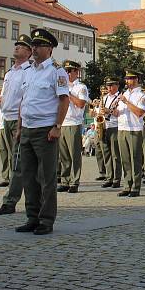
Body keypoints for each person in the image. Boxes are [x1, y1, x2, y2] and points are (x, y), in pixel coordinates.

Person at [15, 28, 69, 235]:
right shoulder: (28, 71)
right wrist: (19, 127)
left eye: (38, 46)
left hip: (46, 129)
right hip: (28, 128)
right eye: (33, 45)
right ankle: (32, 217)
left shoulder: (57, 71)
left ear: (49, 49)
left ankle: (46, 220)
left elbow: (64, 100)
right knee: (28, 176)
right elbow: (23, 101)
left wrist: (57, 126)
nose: (34, 49)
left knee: (46, 178)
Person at [0, 34, 33, 216]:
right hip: (6, 118)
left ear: (29, 52)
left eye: (22, 46)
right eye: (16, 45)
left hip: (19, 120)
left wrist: (19, 123)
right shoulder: (9, 73)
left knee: (17, 162)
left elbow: (25, 99)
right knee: (11, 159)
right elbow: (8, 97)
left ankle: (10, 201)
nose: (17, 47)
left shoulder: (28, 72)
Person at [113, 70, 145, 198]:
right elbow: (118, 113)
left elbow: (139, 112)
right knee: (125, 160)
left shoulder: (142, 95)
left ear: (137, 79)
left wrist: (127, 102)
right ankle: (127, 185)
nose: (127, 81)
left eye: (130, 79)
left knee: (135, 159)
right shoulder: (125, 93)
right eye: (127, 79)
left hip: (134, 130)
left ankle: (136, 187)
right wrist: (112, 111)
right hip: (122, 128)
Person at [57, 60, 87, 194]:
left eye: (70, 71)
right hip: (62, 122)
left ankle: (74, 181)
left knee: (74, 154)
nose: (68, 73)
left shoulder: (80, 87)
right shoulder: (62, 85)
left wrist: (68, 94)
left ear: (77, 72)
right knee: (63, 155)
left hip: (74, 123)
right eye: (66, 71)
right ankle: (65, 180)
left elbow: (81, 103)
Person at [99, 78, 122, 189]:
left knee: (115, 155)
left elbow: (118, 113)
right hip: (104, 127)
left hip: (115, 126)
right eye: (107, 85)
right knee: (106, 154)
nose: (108, 88)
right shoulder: (104, 98)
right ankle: (109, 177)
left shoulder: (120, 98)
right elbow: (100, 112)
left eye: (111, 85)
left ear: (116, 86)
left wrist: (109, 111)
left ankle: (116, 179)